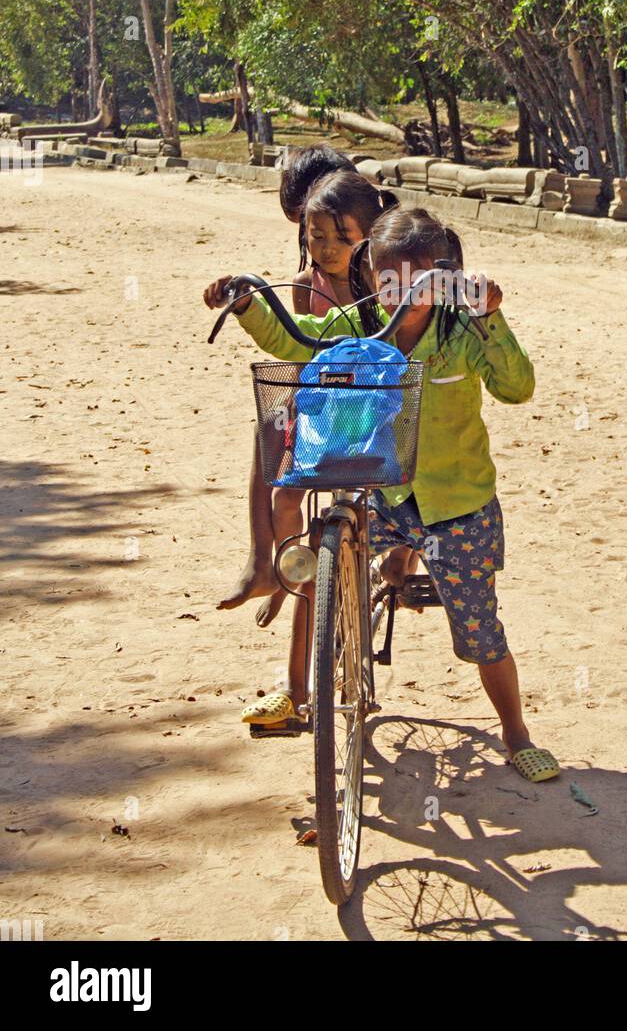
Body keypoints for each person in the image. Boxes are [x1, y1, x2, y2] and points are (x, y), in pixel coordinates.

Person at [204, 207, 559, 782]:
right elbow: (300, 343)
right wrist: (248, 305)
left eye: (422, 280)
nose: (403, 295)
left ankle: (516, 734)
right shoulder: (359, 324)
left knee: (479, 631)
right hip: (382, 491)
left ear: (446, 276)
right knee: (323, 560)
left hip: (455, 505)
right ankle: (299, 687)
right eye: (391, 279)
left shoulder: (461, 331)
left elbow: (517, 386)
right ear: (373, 274)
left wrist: (493, 316)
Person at [218, 147, 357, 626]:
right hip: (327, 402)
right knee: (271, 420)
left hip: (377, 402)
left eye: (324, 228)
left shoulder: (383, 268)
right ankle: (269, 561)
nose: (319, 243)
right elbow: (298, 351)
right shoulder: (307, 280)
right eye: (309, 231)